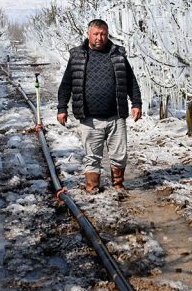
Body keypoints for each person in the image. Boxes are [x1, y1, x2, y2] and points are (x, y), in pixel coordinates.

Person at [57, 19, 142, 194]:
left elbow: (130, 81)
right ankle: (92, 187)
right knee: (92, 156)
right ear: (88, 34)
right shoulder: (77, 56)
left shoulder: (118, 54)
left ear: (107, 34)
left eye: (103, 34)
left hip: (115, 115)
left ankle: (118, 185)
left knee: (119, 155)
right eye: (96, 34)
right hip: (89, 118)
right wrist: (62, 108)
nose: (99, 38)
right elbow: (66, 84)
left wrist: (136, 103)